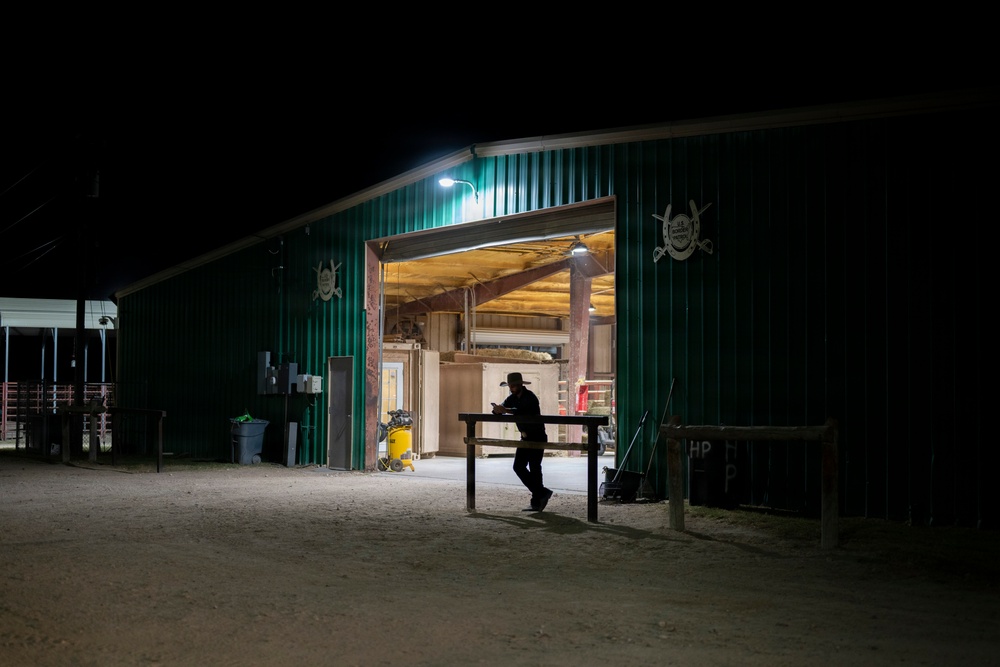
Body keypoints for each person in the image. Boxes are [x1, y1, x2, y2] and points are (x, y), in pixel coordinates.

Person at [491, 371, 553, 511]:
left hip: (537, 436)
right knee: (518, 466)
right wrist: (497, 410)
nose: (511, 388)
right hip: (525, 437)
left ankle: (537, 501)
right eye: (510, 386)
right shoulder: (512, 398)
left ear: (520, 385)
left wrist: (505, 410)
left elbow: (522, 411)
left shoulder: (530, 397)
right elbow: (504, 407)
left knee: (534, 467)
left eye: (513, 386)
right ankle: (541, 493)